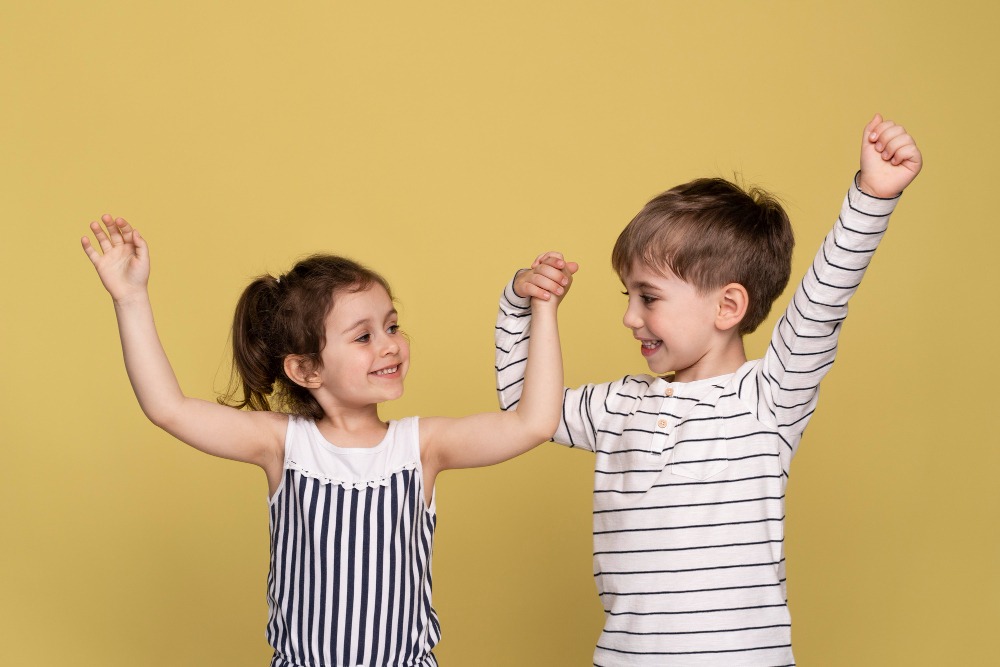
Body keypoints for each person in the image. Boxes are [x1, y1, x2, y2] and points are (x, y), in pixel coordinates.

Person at [495, 114, 921, 665]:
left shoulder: (767, 399)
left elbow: (822, 302)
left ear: (728, 306)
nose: (629, 317)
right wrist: (525, 306)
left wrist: (871, 198)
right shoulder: (619, 406)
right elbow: (524, 409)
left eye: (648, 297)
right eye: (627, 296)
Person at [81, 226, 567, 667]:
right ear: (307, 369)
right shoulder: (283, 444)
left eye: (392, 326)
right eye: (363, 336)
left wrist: (541, 308)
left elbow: (534, 423)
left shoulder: (421, 448)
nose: (390, 345)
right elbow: (168, 408)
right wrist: (130, 297)